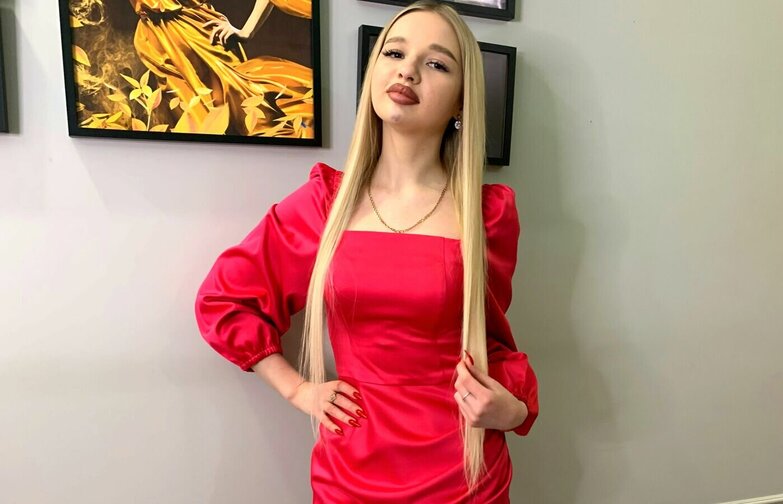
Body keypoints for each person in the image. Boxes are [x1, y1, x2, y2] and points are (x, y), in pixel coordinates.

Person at [194, 1, 538, 501]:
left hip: (463, 474)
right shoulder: (324, 204)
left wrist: (514, 410)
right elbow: (226, 299)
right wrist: (297, 388)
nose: (408, 71)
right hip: (350, 472)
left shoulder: (487, 215)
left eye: (436, 63)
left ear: (462, 101)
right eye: (394, 53)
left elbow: (494, 346)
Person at [129, 0, 314, 136]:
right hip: (154, 42)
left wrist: (247, 31)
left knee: (240, 112)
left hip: (198, 34)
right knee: (191, 126)